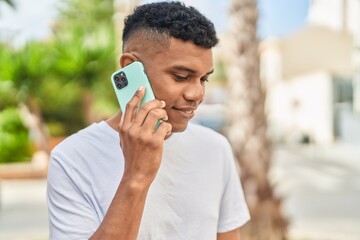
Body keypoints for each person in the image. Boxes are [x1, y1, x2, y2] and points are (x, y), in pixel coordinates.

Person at [47, 1, 250, 239]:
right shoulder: (71, 158)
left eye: (204, 79)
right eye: (181, 76)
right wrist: (136, 177)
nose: (197, 94)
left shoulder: (216, 148)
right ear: (131, 69)